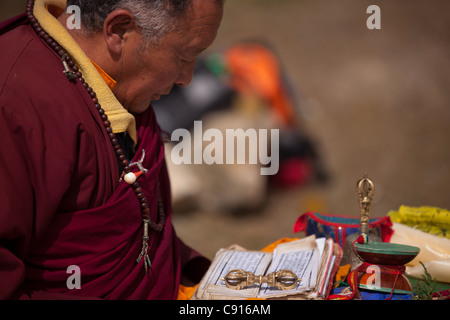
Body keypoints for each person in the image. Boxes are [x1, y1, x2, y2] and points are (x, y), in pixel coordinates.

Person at [0, 0, 223, 300]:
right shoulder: (14, 103)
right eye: (184, 56)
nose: (187, 79)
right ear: (119, 31)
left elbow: (145, 230)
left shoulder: (122, 89)